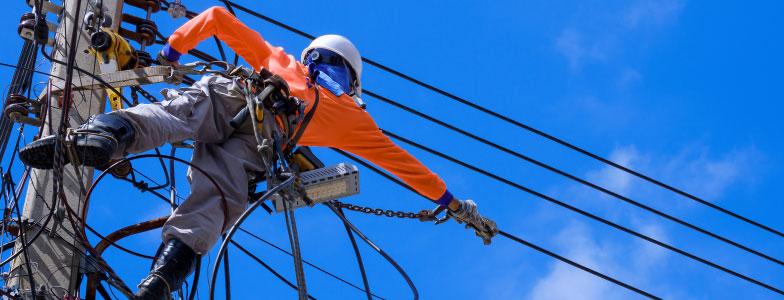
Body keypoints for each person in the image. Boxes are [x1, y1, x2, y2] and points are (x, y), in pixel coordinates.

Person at [18, 6, 497, 300]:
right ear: (351, 78)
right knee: (214, 204)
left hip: (234, 93)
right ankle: (161, 282)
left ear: (313, 57)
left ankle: (102, 137)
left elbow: (218, 20)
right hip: (262, 143)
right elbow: (404, 165)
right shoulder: (353, 118)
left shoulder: (282, 61)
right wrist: (454, 205)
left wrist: (171, 53)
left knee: (169, 118)